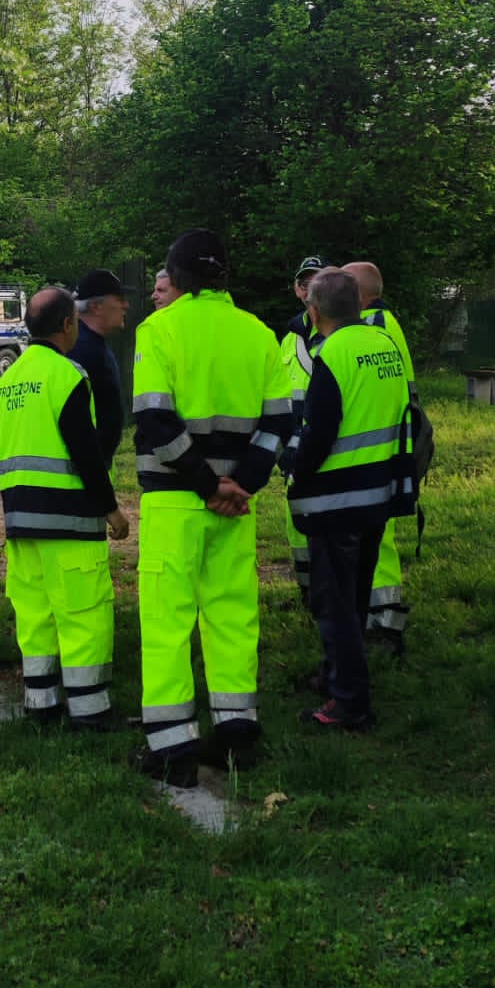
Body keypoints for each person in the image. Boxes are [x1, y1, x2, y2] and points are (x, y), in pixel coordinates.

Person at [132, 228, 293, 786]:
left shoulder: (158, 329)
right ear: (224, 276)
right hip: (237, 507)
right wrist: (242, 483)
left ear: (175, 277)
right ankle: (236, 735)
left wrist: (205, 485)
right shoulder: (259, 334)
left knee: (167, 621)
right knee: (232, 616)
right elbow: (279, 421)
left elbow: (154, 420)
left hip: (175, 501)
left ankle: (171, 748)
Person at [0, 285, 129, 729]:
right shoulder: (67, 376)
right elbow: (85, 451)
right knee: (82, 614)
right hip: (69, 521)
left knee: (35, 616)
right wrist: (111, 509)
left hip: (20, 523)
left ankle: (41, 705)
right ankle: (90, 711)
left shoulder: (6, 382)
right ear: (68, 325)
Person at [289, 269, 414, 730]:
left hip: (335, 501)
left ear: (314, 311)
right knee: (355, 596)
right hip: (378, 494)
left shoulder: (332, 354)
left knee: (335, 604)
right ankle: (336, 675)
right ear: (358, 304)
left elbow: (318, 433)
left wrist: (293, 470)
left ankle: (349, 702)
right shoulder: (384, 345)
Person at [341, 260, 417, 653]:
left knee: (378, 538)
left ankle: (384, 622)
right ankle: (378, 617)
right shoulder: (384, 323)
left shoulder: (372, 327)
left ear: (359, 294)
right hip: (389, 448)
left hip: (377, 452)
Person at [279, 260, 335, 605]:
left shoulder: (341, 335)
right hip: (294, 453)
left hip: (331, 449)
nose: (308, 288)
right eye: (304, 282)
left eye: (317, 281)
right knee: (296, 524)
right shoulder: (289, 338)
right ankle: (308, 593)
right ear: (297, 289)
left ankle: (333, 595)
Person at [71, 269, 129, 469]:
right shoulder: (81, 348)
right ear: (96, 306)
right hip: (82, 475)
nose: (126, 305)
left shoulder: (92, 343)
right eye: (119, 299)